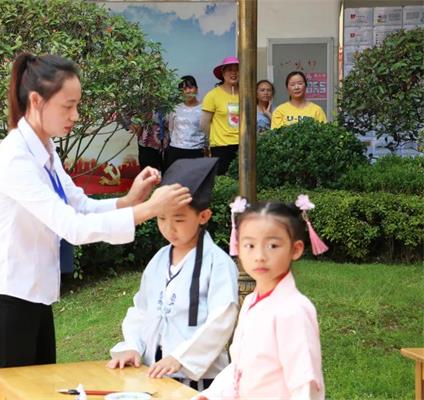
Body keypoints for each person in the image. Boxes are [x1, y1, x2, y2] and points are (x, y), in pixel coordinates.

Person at [0, 52, 192, 400]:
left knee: (43, 394)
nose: (75, 116)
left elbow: (77, 204)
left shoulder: (44, 149)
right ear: (36, 101)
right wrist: (150, 210)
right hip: (7, 303)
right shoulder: (15, 159)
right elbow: (71, 227)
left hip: (33, 298)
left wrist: (129, 200)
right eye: (68, 106)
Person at [108, 158, 239, 392]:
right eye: (161, 218)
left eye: (179, 219)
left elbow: (221, 319)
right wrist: (132, 347)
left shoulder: (217, 263)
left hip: (199, 382)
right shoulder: (159, 259)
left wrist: (182, 357)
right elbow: (142, 309)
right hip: (155, 374)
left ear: (203, 216)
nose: (169, 228)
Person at [193, 194, 327, 400]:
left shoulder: (294, 310)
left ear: (296, 249)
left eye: (273, 245)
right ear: (238, 246)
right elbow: (240, 365)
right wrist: (212, 395)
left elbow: (303, 384)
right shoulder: (250, 301)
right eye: (250, 245)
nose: (260, 256)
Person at [201, 56, 240, 176]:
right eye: (229, 70)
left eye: (237, 69)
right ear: (223, 73)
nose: (233, 73)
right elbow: (204, 124)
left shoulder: (247, 93)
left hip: (243, 145)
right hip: (221, 146)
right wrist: (215, 138)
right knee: (222, 182)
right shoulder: (212, 95)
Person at [164, 75, 206, 170]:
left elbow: (206, 130)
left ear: (196, 89)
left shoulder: (204, 109)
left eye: (190, 87)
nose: (188, 91)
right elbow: (171, 129)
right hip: (175, 151)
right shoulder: (175, 109)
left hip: (196, 151)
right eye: (184, 89)